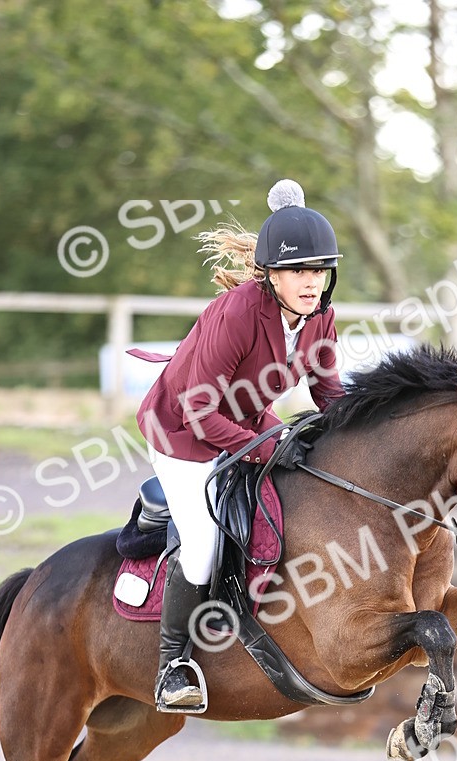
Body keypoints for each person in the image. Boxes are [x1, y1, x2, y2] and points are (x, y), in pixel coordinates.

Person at [135, 179, 344, 713]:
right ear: (271, 274)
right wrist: (265, 448)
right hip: (181, 430)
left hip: (246, 421)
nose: (310, 282)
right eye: (299, 271)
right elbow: (201, 414)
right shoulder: (237, 313)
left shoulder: (320, 316)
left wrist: (357, 436)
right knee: (203, 545)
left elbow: (327, 391)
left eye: (319, 271)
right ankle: (172, 666)